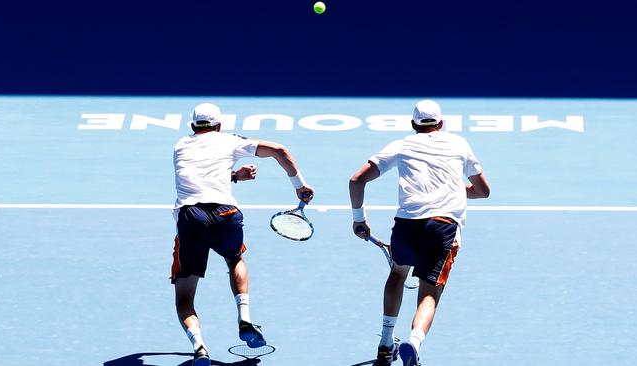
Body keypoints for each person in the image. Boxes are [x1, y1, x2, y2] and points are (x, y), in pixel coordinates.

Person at [170, 102, 314, 366]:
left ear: (193, 126)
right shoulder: (228, 141)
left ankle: (199, 347)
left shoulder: (180, 145)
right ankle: (245, 318)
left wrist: (234, 176)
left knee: (184, 298)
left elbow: (201, 175)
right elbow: (280, 150)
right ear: (219, 126)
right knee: (235, 260)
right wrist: (300, 185)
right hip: (226, 214)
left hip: (191, 218)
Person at [348, 100, 490, 366]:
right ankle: (413, 343)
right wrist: (453, 192)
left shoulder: (401, 145)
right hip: (443, 226)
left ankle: (385, 342)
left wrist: (359, 220)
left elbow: (356, 180)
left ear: (413, 125)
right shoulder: (459, 144)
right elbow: (483, 190)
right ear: (441, 124)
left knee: (397, 274)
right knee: (429, 293)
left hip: (407, 225)